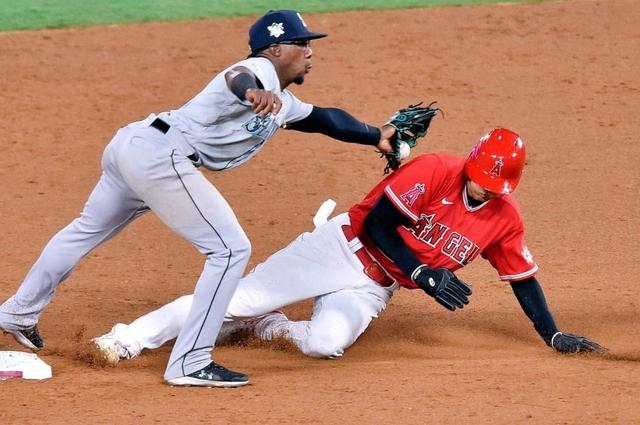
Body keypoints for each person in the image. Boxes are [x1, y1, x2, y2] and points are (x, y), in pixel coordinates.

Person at [0, 9, 399, 388]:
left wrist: (374, 136)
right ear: (276, 48)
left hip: (137, 144)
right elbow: (238, 77)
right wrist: (253, 93)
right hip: (160, 156)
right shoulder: (259, 71)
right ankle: (190, 361)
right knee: (230, 250)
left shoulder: (285, 101)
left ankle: (18, 312)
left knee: (85, 230)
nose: (310, 51)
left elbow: (325, 119)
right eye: (302, 43)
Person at [93, 128, 604, 365]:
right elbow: (379, 227)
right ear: (469, 164)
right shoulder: (433, 170)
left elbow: (524, 279)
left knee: (324, 344)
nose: (483, 191)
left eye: (494, 188)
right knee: (239, 297)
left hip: (373, 287)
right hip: (339, 247)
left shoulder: (503, 219)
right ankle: (126, 339)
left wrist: (552, 335)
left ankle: (270, 326)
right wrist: (424, 275)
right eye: (480, 181)